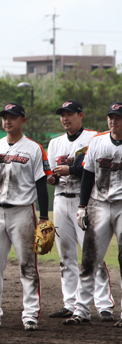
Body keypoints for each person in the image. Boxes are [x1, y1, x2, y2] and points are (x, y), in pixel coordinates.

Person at [0, 103, 52, 331]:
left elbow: (41, 185)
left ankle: (30, 315)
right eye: (5, 117)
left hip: (23, 213)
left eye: (12, 117)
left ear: (22, 120)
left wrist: (44, 216)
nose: (8, 121)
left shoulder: (34, 148)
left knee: (28, 266)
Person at [47, 101, 114, 322]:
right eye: (62, 115)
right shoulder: (55, 143)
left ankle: (104, 304)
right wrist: (53, 177)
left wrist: (72, 169)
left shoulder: (94, 138)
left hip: (85, 202)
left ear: (80, 115)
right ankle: (70, 303)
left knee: (93, 255)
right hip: (60, 201)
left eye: (70, 114)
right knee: (66, 256)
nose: (65, 118)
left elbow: (91, 169)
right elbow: (54, 172)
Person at [64, 102, 122, 326]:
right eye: (111, 117)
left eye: (118, 117)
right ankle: (81, 311)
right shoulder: (97, 142)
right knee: (89, 259)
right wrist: (82, 206)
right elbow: (87, 175)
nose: (113, 121)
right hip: (99, 205)